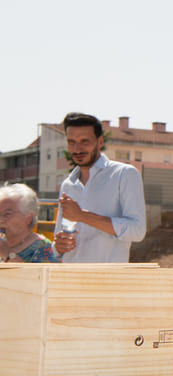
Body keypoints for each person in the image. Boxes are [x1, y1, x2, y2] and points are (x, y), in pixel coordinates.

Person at [53, 113, 147, 263]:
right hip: (70, 279)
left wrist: (82, 216)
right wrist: (58, 246)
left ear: (100, 141)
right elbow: (58, 244)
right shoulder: (68, 185)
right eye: (71, 142)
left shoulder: (124, 174)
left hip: (106, 281)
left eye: (85, 141)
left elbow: (137, 231)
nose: (77, 149)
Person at [0, 183, 61, 263]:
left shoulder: (44, 249)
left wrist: (7, 254)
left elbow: (39, 275)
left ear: (28, 218)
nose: (1, 219)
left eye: (7, 214)